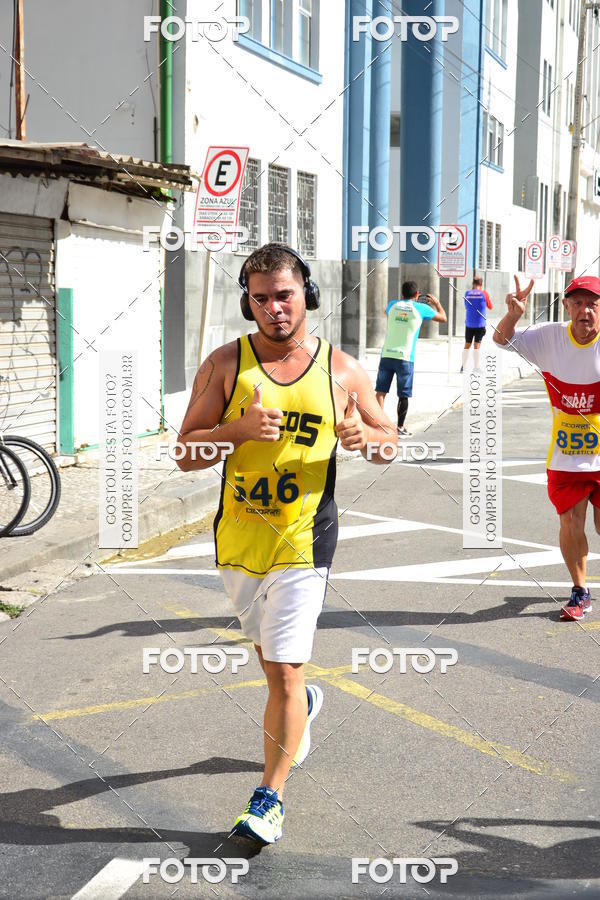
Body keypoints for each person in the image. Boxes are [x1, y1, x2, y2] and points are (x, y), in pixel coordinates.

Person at [176, 243, 397, 844]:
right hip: (240, 542)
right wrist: (234, 431)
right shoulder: (226, 365)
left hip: (306, 539)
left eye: (285, 295)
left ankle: (268, 800)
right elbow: (184, 455)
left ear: (308, 297)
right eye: (262, 298)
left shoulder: (340, 369)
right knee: (275, 671)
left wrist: (362, 435)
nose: (275, 308)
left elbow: (390, 440)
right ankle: (302, 707)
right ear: (248, 304)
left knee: (283, 670)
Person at [493, 274, 600, 621]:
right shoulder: (550, 337)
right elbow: (500, 339)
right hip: (567, 457)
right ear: (567, 306)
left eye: (594, 304)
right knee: (571, 519)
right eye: (579, 303)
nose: (586, 311)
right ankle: (580, 590)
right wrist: (514, 313)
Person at [375, 281, 447, 436]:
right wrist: (436, 303)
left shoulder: (392, 305)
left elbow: (388, 310)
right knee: (403, 394)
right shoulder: (421, 308)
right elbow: (443, 318)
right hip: (405, 357)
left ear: (402, 293)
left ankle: (378, 425)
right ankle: (400, 427)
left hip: (387, 354)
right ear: (417, 295)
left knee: (381, 391)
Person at [462, 275, 493, 372]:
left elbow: (466, 306)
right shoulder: (484, 294)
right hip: (480, 324)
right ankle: (476, 367)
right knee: (477, 346)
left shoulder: (467, 293)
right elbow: (490, 306)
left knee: (467, 345)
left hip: (469, 324)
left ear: (473, 284)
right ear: (481, 284)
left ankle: (463, 366)